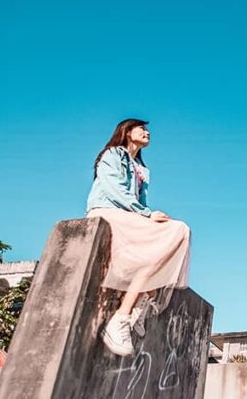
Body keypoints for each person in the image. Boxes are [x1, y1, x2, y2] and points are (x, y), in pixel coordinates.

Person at [86, 118, 191, 356]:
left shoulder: (141, 170)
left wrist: (147, 214)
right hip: (107, 212)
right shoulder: (112, 155)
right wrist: (147, 214)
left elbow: (141, 201)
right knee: (174, 233)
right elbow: (115, 190)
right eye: (142, 128)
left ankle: (135, 307)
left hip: (130, 216)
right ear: (127, 131)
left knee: (179, 232)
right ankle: (120, 320)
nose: (147, 133)